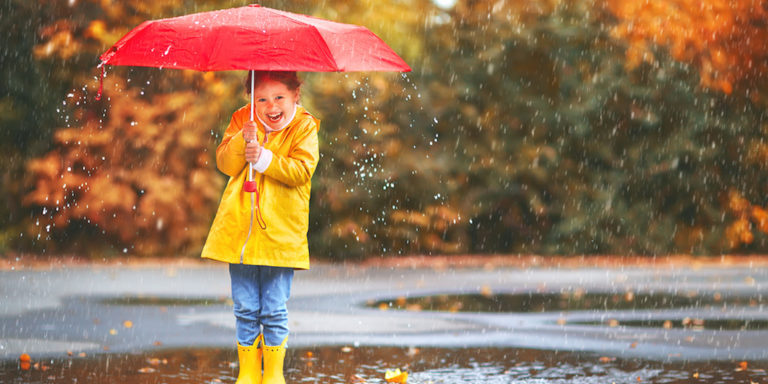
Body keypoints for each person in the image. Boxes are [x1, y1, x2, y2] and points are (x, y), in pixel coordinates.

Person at [201, 70, 320, 384]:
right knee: (245, 307)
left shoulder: (304, 126)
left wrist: (265, 158)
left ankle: (274, 375)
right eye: (261, 99)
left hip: (279, 234)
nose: (270, 106)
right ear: (251, 100)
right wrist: (244, 139)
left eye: (279, 97)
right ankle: (249, 372)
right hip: (240, 232)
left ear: (295, 94)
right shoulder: (243, 119)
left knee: (273, 308)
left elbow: (302, 170)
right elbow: (226, 164)